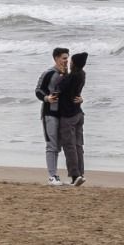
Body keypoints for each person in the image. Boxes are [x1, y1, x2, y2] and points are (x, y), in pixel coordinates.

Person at [34, 48, 70, 186]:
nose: (66, 61)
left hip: (63, 114)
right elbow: (37, 90)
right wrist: (46, 98)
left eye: (67, 58)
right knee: (51, 145)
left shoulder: (66, 74)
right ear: (56, 58)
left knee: (58, 146)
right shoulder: (48, 73)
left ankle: (55, 175)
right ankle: (51, 176)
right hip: (49, 113)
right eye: (64, 58)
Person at [54, 51, 88, 186]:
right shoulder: (82, 74)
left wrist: (62, 74)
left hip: (68, 115)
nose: (69, 62)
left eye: (71, 60)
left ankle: (75, 175)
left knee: (69, 146)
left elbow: (59, 88)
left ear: (75, 63)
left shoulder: (71, 76)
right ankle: (81, 173)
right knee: (78, 145)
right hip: (79, 114)